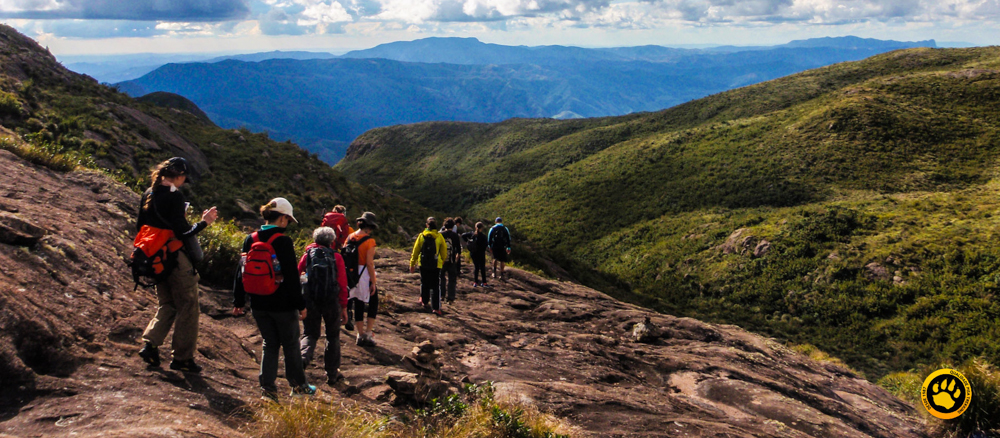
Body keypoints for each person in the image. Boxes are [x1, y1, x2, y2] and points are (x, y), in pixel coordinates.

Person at [137, 157, 219, 372]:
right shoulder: (174, 196)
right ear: (179, 176)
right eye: (183, 178)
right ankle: (182, 358)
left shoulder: (149, 193)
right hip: (175, 258)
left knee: (167, 303)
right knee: (188, 307)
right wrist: (205, 222)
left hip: (155, 258)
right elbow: (184, 232)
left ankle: (150, 345)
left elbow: (140, 226)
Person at [233, 198, 316, 400]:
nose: (287, 224)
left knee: (269, 344)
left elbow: (241, 271)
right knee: (291, 345)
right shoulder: (283, 241)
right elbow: (292, 276)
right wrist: (301, 304)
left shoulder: (250, 239)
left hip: (258, 303)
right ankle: (298, 387)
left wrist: (238, 301)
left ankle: (268, 390)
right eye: (288, 220)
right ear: (283, 218)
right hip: (282, 304)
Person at [298, 227, 349, 386]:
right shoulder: (336, 257)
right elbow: (342, 283)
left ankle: (301, 360)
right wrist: (344, 306)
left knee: (310, 334)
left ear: (315, 240)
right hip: (331, 301)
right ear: (332, 241)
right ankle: (332, 374)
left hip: (310, 301)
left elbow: (297, 276)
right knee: (332, 336)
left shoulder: (307, 255)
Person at [346, 212, 379, 346]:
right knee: (373, 302)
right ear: (370, 226)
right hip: (364, 274)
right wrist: (373, 282)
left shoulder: (349, 237)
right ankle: (368, 333)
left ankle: (359, 334)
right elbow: (369, 263)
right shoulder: (370, 241)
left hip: (351, 274)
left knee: (358, 303)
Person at [410, 217, 446, 316]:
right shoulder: (439, 236)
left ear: (427, 225)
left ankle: (424, 302)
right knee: (435, 286)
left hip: (423, 263)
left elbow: (416, 250)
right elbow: (444, 251)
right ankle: (436, 308)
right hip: (436, 264)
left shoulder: (421, 236)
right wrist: (442, 260)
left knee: (424, 282)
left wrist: (412, 263)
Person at [439, 218, 461, 303]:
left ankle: (442, 295)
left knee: (441, 277)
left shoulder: (440, 234)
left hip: (442, 260)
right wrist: (456, 259)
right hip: (452, 259)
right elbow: (458, 250)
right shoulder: (455, 235)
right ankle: (451, 298)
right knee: (452, 279)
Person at [462, 222, 489, 288]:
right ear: (482, 228)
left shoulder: (471, 234)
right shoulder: (483, 236)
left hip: (473, 253)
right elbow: (486, 245)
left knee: (476, 267)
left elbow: (463, 235)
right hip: (481, 253)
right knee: (482, 268)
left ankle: (475, 282)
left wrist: (467, 241)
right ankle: (484, 282)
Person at [488, 217, 512, 281]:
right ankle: (501, 274)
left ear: (495, 221)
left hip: (495, 246)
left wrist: (490, 246)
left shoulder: (492, 228)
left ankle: (494, 273)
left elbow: (489, 238)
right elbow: (508, 238)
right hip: (502, 246)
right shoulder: (505, 228)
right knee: (502, 260)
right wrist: (508, 247)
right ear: (501, 221)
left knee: (495, 258)